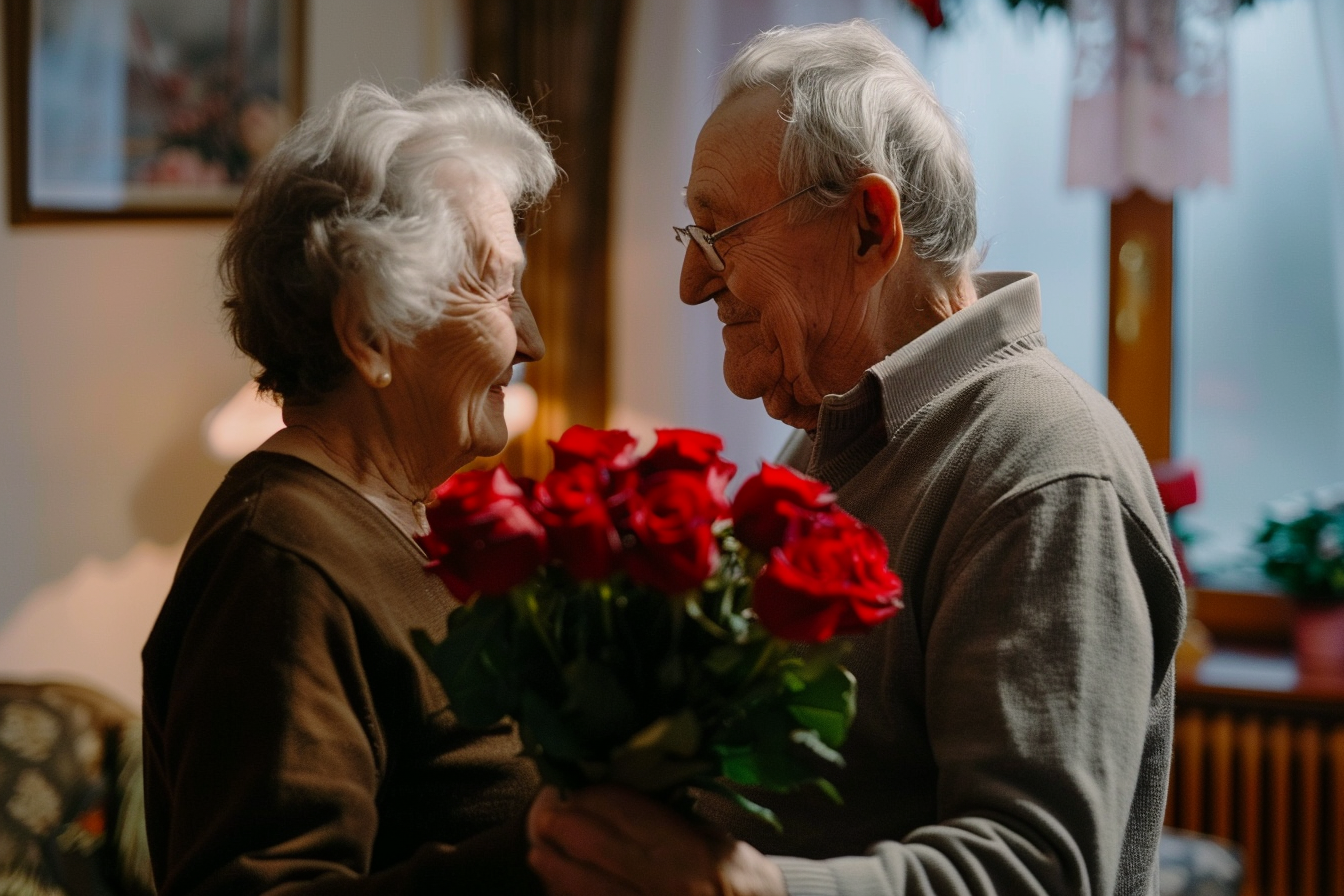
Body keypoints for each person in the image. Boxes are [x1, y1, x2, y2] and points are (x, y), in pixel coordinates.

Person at [526, 19, 1185, 896]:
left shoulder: (1042, 463)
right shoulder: (837, 437)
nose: (692, 282)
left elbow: (1038, 871)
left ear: (871, 226)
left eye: (721, 232)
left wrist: (738, 891)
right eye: (694, 236)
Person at [142, 81, 558, 896]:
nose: (533, 339)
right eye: (498, 288)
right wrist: (550, 856)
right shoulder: (282, 562)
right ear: (370, 334)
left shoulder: (403, 523)